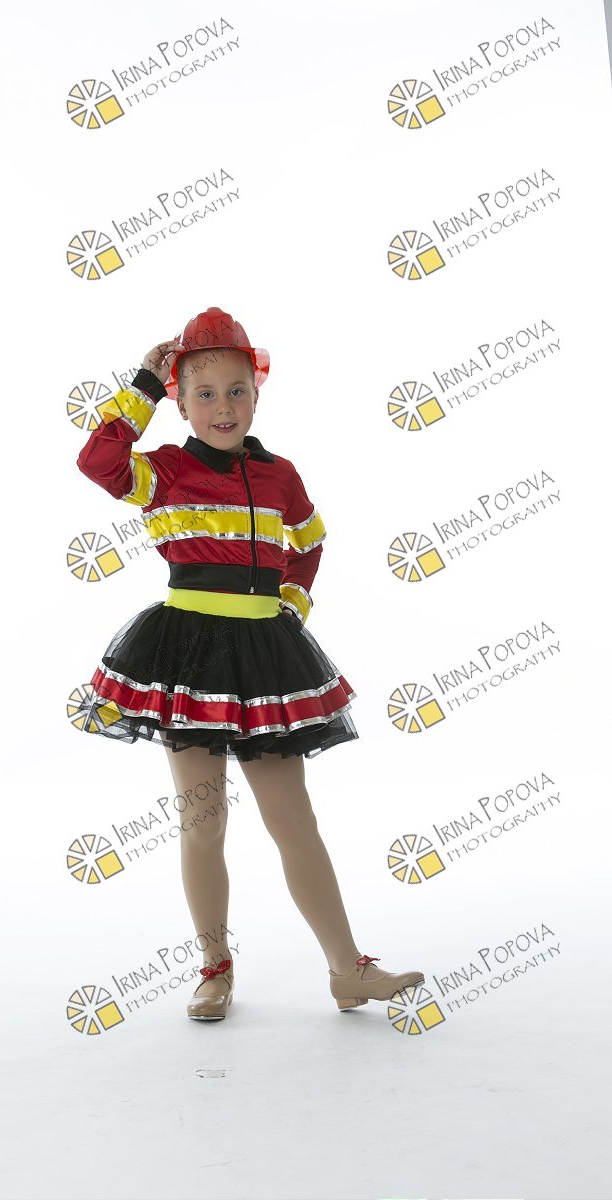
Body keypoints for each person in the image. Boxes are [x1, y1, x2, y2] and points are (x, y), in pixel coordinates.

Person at [75, 306, 425, 1020]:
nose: (223, 407)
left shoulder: (278, 475)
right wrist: (142, 384)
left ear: (257, 396)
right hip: (189, 657)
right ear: (180, 403)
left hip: (266, 659)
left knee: (294, 821)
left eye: (237, 391)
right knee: (203, 822)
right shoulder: (164, 472)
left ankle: (347, 969)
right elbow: (98, 461)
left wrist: (291, 602)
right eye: (204, 394)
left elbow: (310, 540)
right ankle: (215, 968)